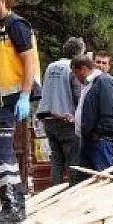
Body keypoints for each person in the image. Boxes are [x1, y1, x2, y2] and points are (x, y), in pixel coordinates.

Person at [0, 0, 42, 224]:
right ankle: (10, 204)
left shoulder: (16, 25)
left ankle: (14, 207)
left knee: (3, 153)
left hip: (9, 100)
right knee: (0, 154)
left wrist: (25, 95)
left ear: (2, 1)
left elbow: (28, 61)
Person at [36, 36, 85, 186]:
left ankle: (55, 191)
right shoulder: (72, 67)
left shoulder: (51, 66)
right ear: (78, 53)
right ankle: (73, 195)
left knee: (56, 161)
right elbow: (77, 94)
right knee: (72, 161)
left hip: (49, 119)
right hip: (67, 120)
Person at [71, 57, 113, 177]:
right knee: (87, 178)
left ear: (83, 69)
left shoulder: (103, 82)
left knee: (104, 177)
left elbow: (108, 110)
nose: (76, 77)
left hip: (100, 140)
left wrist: (98, 133)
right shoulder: (90, 84)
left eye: (75, 73)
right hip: (89, 138)